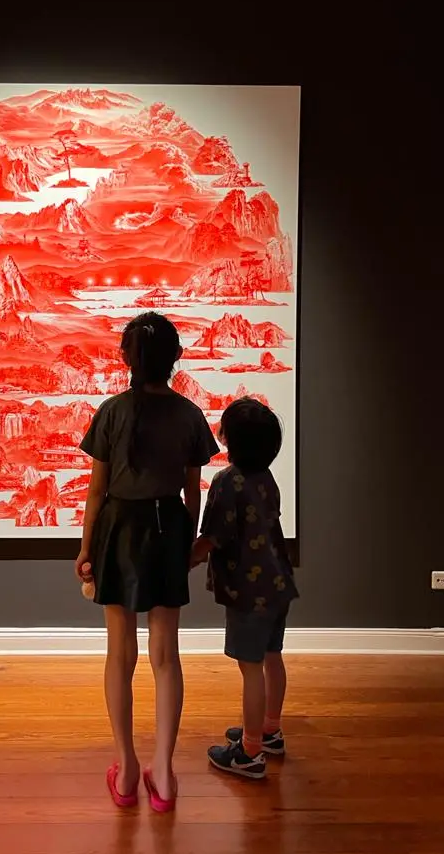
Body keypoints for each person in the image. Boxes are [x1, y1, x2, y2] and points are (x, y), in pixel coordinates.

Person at [76, 312, 219, 811]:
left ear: (126, 358)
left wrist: (86, 549)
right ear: (176, 357)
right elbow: (192, 492)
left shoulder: (111, 412)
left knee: (120, 655)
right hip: (167, 527)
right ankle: (165, 773)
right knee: (165, 656)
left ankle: (127, 770)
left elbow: (96, 492)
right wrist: (186, 542)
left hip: (118, 528)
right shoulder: (189, 415)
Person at [191, 397, 298, 779]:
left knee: (251, 668)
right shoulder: (266, 478)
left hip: (248, 591)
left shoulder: (227, 482)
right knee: (272, 657)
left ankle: (249, 752)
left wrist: (181, 560)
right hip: (278, 583)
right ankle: (270, 730)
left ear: (230, 439)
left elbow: (212, 537)